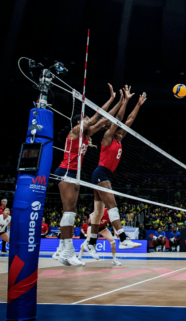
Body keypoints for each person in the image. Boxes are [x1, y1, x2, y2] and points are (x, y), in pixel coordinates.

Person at [52, 83, 120, 266]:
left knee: (69, 213)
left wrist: (114, 100)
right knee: (69, 212)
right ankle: (67, 251)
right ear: (78, 122)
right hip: (66, 171)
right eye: (86, 119)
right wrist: (111, 100)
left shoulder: (85, 135)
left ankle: (61, 250)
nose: (89, 120)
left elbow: (102, 119)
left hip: (74, 173)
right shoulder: (75, 131)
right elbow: (97, 116)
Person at [89, 87, 146, 259]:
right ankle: (122, 238)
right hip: (101, 173)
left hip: (102, 175)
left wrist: (138, 104)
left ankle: (91, 243)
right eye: (118, 127)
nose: (122, 128)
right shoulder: (107, 136)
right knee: (111, 204)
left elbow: (128, 119)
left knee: (98, 213)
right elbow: (120, 119)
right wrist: (125, 100)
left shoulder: (120, 137)